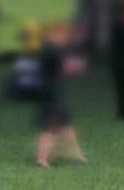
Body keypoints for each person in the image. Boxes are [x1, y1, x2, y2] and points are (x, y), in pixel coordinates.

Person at [35, 22, 86, 167]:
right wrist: (79, 65)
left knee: (67, 125)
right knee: (51, 129)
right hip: (53, 95)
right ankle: (42, 159)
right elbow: (68, 67)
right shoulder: (52, 49)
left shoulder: (48, 48)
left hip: (53, 93)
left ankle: (77, 156)